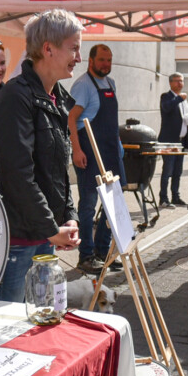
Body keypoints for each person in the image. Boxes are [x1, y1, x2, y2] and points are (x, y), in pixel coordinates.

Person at [0, 9, 83, 302]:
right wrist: (51, 229)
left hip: (43, 235)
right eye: (74, 48)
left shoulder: (57, 98)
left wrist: (69, 218)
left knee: (39, 318)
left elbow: (57, 170)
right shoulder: (16, 96)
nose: (79, 58)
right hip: (17, 241)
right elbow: (17, 175)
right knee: (9, 322)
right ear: (48, 49)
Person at [69, 44, 123, 272]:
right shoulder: (83, 85)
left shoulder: (111, 83)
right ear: (90, 60)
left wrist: (118, 146)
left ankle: (103, 251)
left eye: (109, 60)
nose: (106, 64)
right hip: (89, 150)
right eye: (101, 60)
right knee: (89, 205)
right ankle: (86, 256)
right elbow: (71, 118)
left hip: (110, 150)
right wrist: (76, 150)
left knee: (113, 203)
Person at [157, 72, 188, 206]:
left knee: (178, 171)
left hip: (180, 141)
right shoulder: (166, 97)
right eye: (177, 81)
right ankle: (163, 198)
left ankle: (175, 197)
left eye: (181, 81)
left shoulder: (183, 100)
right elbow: (166, 108)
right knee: (168, 171)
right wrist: (179, 99)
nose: (180, 83)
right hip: (169, 141)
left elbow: (184, 119)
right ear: (170, 83)